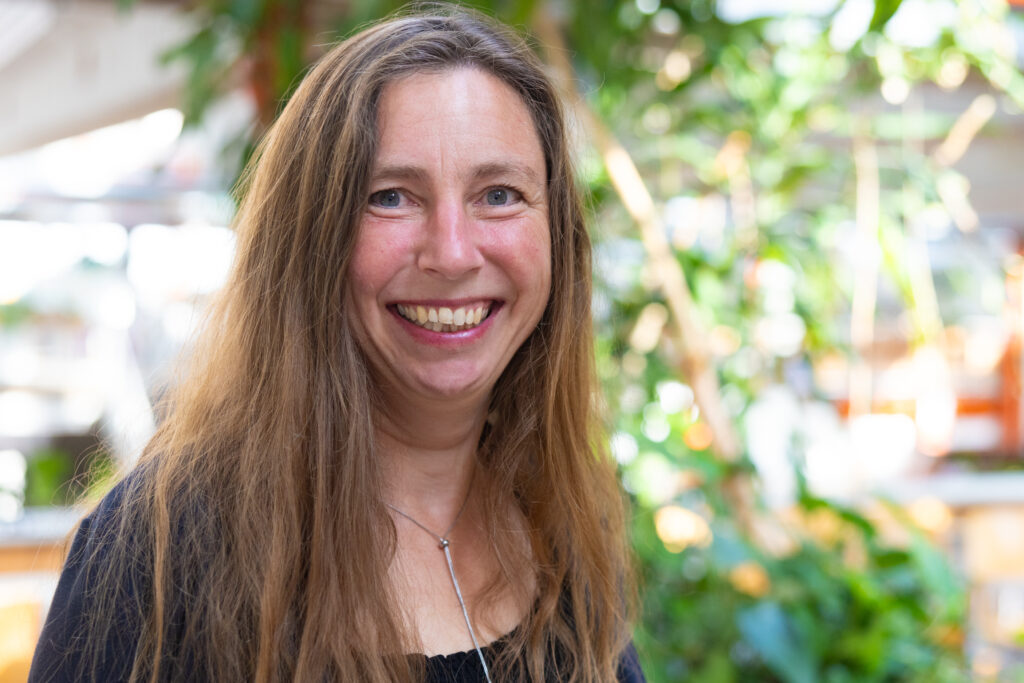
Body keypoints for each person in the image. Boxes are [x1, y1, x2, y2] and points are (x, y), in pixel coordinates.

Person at [29, 5, 643, 682]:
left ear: (557, 235)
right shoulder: (161, 550)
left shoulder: (563, 532)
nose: (452, 252)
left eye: (498, 194)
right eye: (390, 196)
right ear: (311, 240)